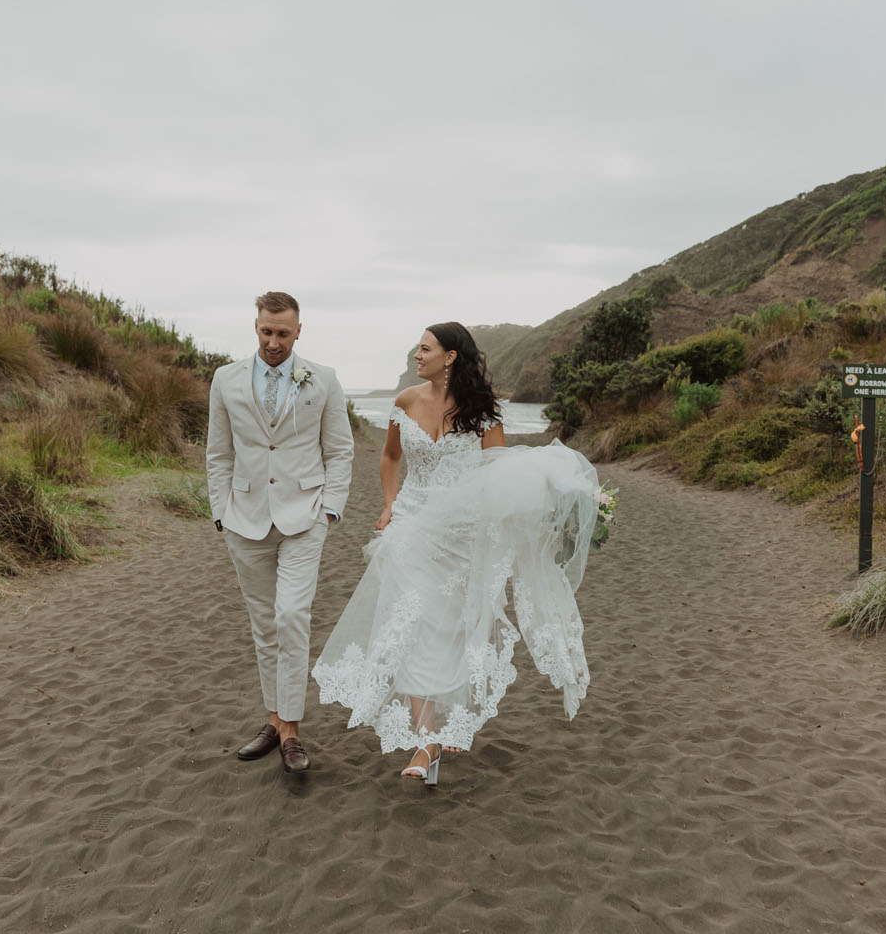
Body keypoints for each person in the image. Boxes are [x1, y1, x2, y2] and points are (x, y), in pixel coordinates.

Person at [312, 322, 598, 785]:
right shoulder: (405, 401)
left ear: (450, 357)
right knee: (411, 627)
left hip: (462, 539)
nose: (415, 354)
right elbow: (389, 458)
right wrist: (389, 504)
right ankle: (425, 742)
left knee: (451, 634)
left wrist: (554, 502)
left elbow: (501, 478)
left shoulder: (484, 413)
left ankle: (442, 730)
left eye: (424, 348)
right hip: (411, 530)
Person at [206, 291, 354, 774]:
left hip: (305, 516)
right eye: (267, 332)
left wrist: (329, 510)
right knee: (264, 625)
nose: (274, 342)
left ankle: (289, 731)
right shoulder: (224, 379)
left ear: (298, 330)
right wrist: (220, 513)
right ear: (256, 327)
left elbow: (339, 450)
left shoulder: (324, 380)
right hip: (244, 518)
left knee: (291, 615)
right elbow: (218, 453)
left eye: (283, 333)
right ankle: (274, 721)